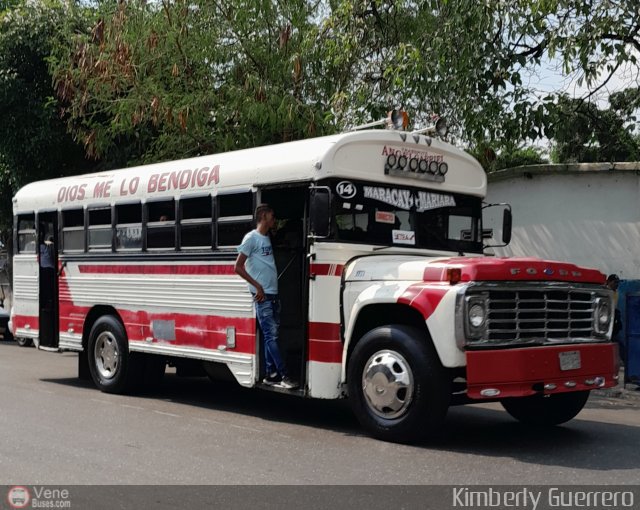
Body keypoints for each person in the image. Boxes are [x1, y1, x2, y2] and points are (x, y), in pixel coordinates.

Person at [234, 204, 298, 389]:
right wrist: (257, 287)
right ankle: (284, 375)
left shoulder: (267, 237)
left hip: (273, 294)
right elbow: (237, 267)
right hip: (263, 296)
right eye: (272, 216)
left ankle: (270, 374)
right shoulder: (251, 238)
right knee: (272, 337)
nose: (274, 219)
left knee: (269, 336)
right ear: (263, 216)